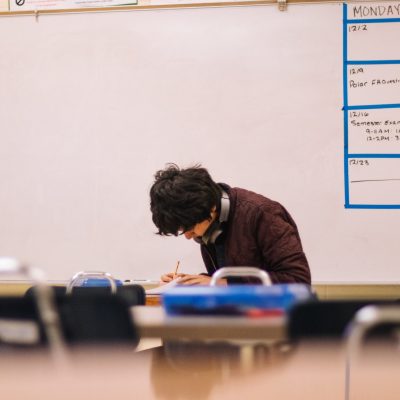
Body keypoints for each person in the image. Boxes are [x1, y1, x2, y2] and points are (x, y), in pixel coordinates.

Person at [150, 163, 311, 286]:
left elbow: (298, 280)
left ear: (211, 208)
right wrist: (190, 282)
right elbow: (231, 278)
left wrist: (224, 284)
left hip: (275, 323)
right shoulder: (211, 225)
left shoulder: (263, 213)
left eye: (190, 228)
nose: (187, 236)